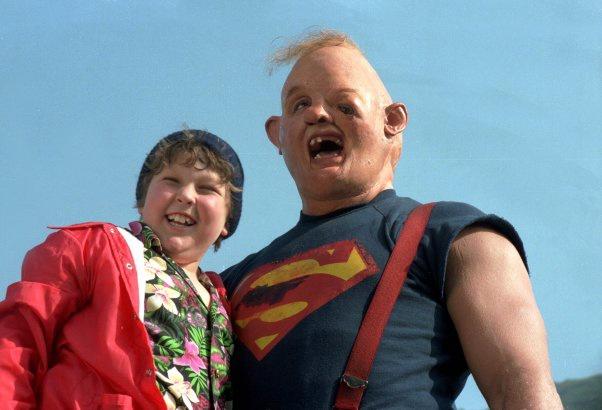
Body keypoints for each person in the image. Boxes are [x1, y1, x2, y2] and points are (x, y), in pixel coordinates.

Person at [222, 31, 562, 409]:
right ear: (278, 134)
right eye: (300, 104)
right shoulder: (223, 287)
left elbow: (519, 387)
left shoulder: (451, 235)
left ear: (392, 120)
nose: (317, 114)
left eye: (344, 104)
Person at [0, 129, 244, 409]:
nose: (186, 195)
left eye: (207, 188)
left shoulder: (226, 301)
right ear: (142, 201)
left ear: (227, 221)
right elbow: (17, 338)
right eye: (171, 180)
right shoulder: (92, 248)